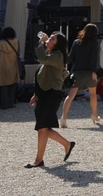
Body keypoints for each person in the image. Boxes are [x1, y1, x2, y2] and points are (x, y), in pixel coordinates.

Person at [28, 31, 75, 168]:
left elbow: (42, 59)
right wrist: (36, 95)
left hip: (52, 94)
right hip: (45, 94)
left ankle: (39, 159)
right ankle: (66, 144)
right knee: (43, 128)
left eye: (52, 39)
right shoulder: (51, 55)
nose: (48, 39)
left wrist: (41, 43)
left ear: (58, 44)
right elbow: (42, 77)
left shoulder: (58, 56)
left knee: (43, 127)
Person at [61, 23, 101, 127]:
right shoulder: (94, 43)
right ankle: (94, 114)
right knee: (92, 94)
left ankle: (63, 117)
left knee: (71, 95)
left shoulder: (76, 42)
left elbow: (71, 58)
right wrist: (94, 71)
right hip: (89, 71)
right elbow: (94, 58)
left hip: (77, 71)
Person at [0, 27, 22, 110]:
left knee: (3, 86)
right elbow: (19, 53)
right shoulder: (16, 42)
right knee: (12, 86)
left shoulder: (0, 44)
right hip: (13, 65)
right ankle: (11, 103)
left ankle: (4, 104)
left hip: (2, 66)